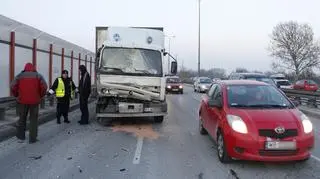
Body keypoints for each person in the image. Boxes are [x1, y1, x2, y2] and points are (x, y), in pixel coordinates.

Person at [10, 63, 48, 143]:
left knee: (22, 118)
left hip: (22, 101)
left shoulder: (20, 76)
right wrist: (40, 95)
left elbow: (12, 86)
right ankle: (32, 138)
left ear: (25, 68)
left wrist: (16, 94)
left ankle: (21, 137)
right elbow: (44, 86)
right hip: (34, 101)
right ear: (33, 68)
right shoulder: (38, 75)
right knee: (33, 120)